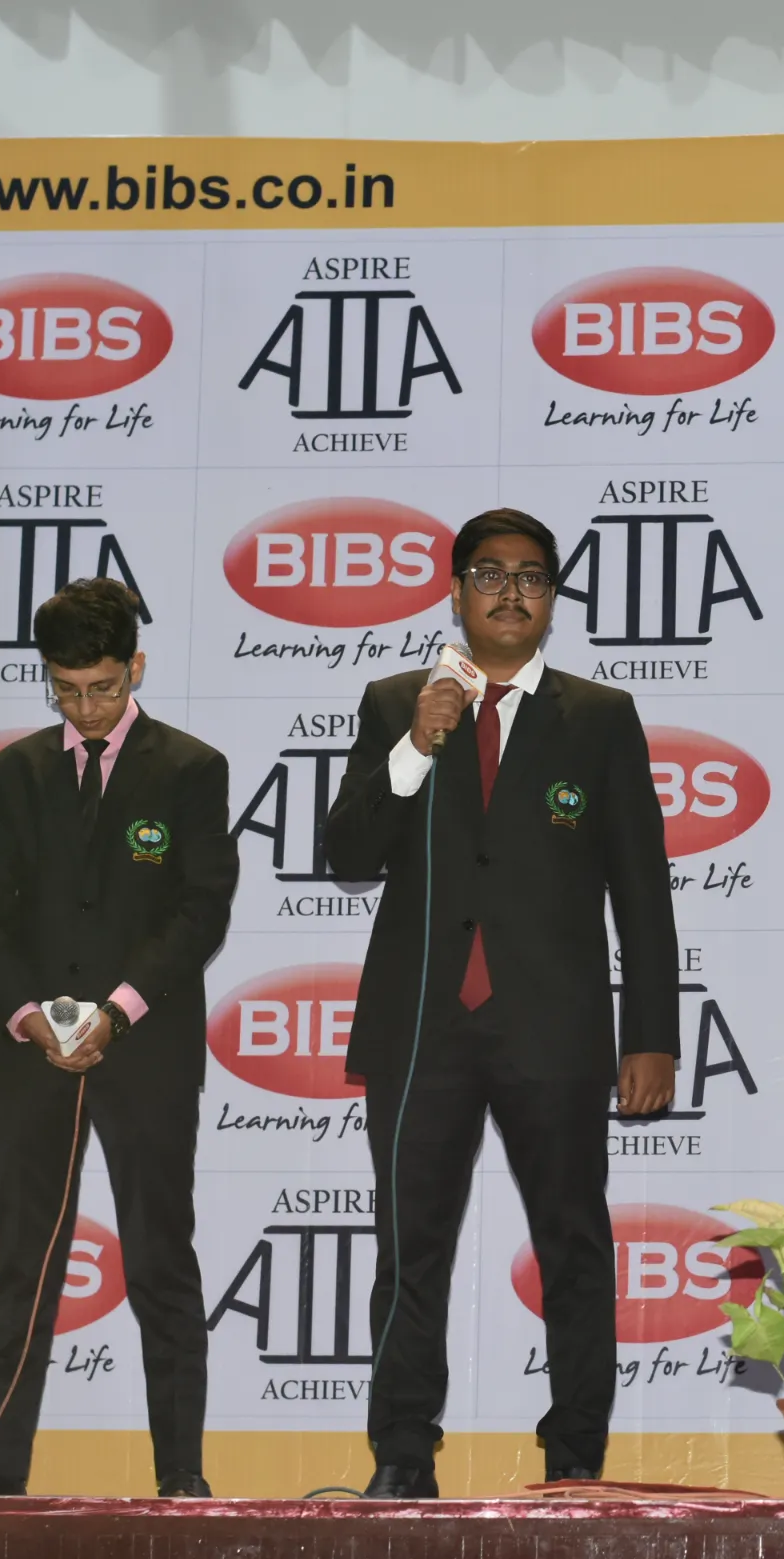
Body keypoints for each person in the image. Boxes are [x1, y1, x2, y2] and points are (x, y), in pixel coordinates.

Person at [328, 507, 679, 1499]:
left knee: (573, 1243)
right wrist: (414, 744)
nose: (511, 592)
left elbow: (643, 888)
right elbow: (346, 851)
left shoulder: (599, 716)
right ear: (455, 592)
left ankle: (575, 1458)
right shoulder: (396, 702)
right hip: (420, 1028)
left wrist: (653, 1035)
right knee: (410, 1249)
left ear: (553, 598)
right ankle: (403, 1455)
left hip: (554, 1028)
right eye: (489, 574)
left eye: (531, 576)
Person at [0, 578, 238, 1497]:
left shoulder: (191, 768)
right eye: (67, 690)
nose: (85, 710)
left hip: (145, 1053)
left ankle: (181, 1479)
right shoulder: (16, 771)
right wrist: (29, 1015)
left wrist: (116, 1009)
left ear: (135, 669)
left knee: (160, 1260)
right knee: (23, 1269)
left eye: (103, 689)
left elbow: (200, 911)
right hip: (31, 1054)